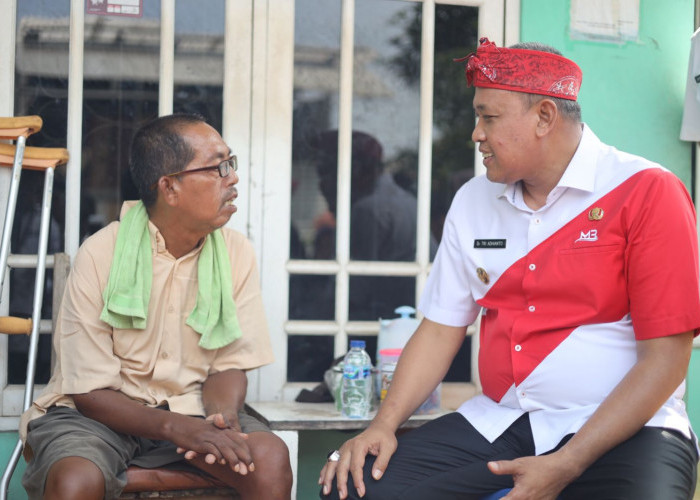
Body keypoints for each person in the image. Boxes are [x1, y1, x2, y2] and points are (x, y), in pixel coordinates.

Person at [318, 38, 700, 500]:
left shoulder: (645, 190)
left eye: (488, 117)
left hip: (627, 429)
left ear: (543, 117)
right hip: (502, 421)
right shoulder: (473, 200)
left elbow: (666, 359)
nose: (476, 134)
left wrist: (567, 463)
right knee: (352, 485)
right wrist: (383, 425)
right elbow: (440, 329)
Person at [19, 113, 293, 500]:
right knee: (75, 479)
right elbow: (90, 393)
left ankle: (164, 460)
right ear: (170, 187)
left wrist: (222, 418)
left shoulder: (235, 252)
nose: (232, 178)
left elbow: (228, 365)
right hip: (99, 417)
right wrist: (174, 428)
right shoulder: (102, 252)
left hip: (194, 408)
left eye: (231, 164)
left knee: (268, 458)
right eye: (217, 167)